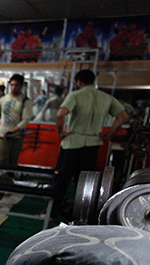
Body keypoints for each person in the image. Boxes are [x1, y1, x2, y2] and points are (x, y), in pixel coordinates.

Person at [52, 70, 128, 219]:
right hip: (93, 143)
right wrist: (109, 134)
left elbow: (60, 114)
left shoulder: (75, 95)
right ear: (93, 81)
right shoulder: (106, 98)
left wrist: (60, 132)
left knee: (62, 179)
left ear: (78, 82)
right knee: (85, 183)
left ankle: (51, 213)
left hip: (73, 143)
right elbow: (122, 117)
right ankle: (81, 216)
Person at [0, 74, 32, 167]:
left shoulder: (25, 101)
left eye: (16, 85)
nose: (13, 88)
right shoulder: (3, 99)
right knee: (0, 163)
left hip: (16, 138)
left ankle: (9, 180)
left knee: (12, 165)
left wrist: (12, 131)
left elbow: (25, 120)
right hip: (2, 136)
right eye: (12, 85)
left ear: (21, 86)